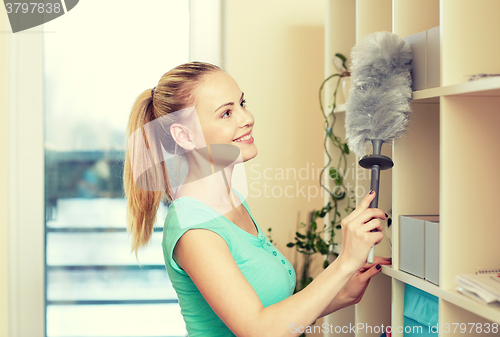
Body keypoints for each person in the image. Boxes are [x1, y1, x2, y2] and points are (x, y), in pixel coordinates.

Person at [123, 62, 391, 336]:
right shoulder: (195, 229)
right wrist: (345, 261)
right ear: (185, 136)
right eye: (226, 113)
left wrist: (344, 288)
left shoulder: (232, 201)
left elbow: (273, 313)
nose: (247, 117)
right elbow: (259, 330)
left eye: (242, 103)